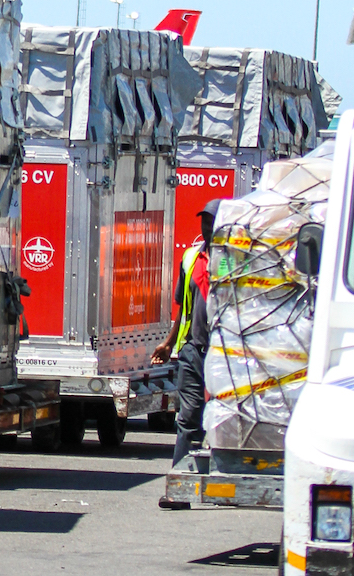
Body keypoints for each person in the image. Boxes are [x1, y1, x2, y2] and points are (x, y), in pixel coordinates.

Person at [152, 198, 219, 510]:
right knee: (188, 416)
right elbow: (183, 308)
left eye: (213, 222)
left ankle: (219, 477)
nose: (207, 227)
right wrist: (168, 343)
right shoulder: (191, 257)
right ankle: (178, 485)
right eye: (204, 222)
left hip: (225, 354)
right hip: (192, 350)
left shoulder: (235, 259)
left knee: (219, 418)